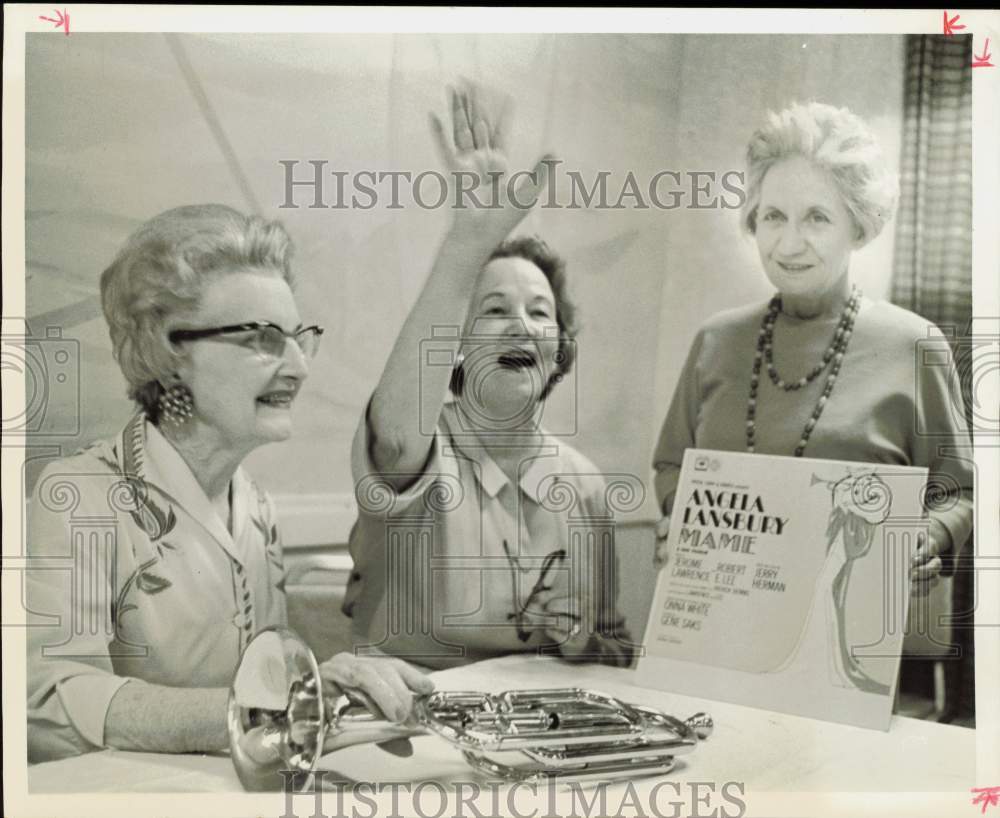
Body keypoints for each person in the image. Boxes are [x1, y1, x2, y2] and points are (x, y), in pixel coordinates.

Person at [26, 204, 433, 763]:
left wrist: (324, 685)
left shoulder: (255, 506)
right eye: (262, 338)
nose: (298, 367)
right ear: (169, 353)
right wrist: (276, 710)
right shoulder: (75, 497)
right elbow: (47, 702)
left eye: (298, 337)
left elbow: (259, 688)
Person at [651, 103, 974, 673]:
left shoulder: (914, 345)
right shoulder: (715, 340)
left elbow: (962, 493)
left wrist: (929, 538)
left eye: (817, 218)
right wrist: (688, 522)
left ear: (858, 223)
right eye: (773, 215)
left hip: (841, 658)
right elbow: (672, 466)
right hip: (712, 640)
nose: (789, 243)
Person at [342, 86, 636, 669]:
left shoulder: (586, 486)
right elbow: (398, 437)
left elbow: (616, 647)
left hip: (537, 731)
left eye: (539, 312)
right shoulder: (420, 449)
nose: (519, 327)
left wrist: (582, 640)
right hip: (411, 730)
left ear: (558, 354)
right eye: (494, 310)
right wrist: (465, 246)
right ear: (453, 349)